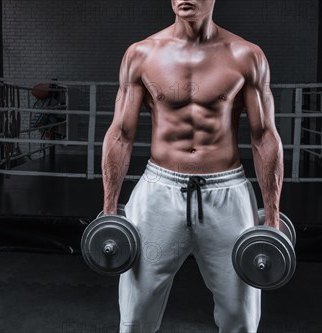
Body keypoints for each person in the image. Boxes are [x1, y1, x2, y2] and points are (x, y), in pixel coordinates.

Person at [101, 0, 283, 331]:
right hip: (159, 192)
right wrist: (109, 207)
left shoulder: (246, 55)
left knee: (241, 317)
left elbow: (264, 136)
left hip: (226, 193)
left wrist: (271, 217)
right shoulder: (142, 54)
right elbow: (122, 133)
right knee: (135, 315)